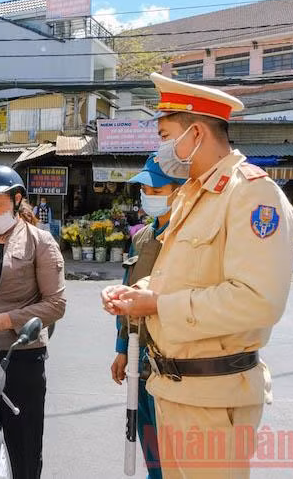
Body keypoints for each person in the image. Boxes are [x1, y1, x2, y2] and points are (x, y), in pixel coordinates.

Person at [101, 73, 293, 479]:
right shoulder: (194, 192)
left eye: (165, 134)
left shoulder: (251, 194)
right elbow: (178, 276)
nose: (161, 148)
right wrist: (135, 291)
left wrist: (157, 305)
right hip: (174, 389)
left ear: (194, 133)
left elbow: (258, 300)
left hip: (214, 396)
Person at [0, 165, 66, 479]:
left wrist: (6, 320)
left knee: (22, 445)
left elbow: (56, 304)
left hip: (21, 357)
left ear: (16, 199)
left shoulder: (41, 242)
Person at [110, 153, 186, 479]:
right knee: (146, 431)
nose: (149, 197)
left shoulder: (187, 238)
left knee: (175, 441)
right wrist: (120, 348)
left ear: (179, 190)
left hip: (174, 354)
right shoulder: (140, 237)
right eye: (146, 191)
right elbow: (128, 292)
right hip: (139, 349)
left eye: (158, 190)